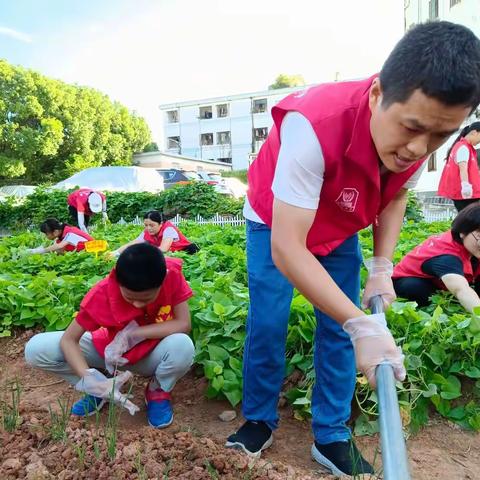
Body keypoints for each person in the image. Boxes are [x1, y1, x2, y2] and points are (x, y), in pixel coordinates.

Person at [225, 21, 480, 477]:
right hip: (274, 222)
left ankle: (332, 434)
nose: (420, 148)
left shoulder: (419, 146)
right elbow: (288, 247)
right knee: (269, 321)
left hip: (338, 226)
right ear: (378, 95)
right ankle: (258, 419)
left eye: (441, 135)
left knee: (342, 330)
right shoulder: (314, 127)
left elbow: (397, 196)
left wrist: (381, 265)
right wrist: (361, 323)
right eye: (413, 127)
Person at [24, 243, 195, 428]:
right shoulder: (102, 293)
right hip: (109, 351)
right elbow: (69, 340)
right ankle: (100, 387)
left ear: (163, 281)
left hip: (152, 353)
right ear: (118, 281)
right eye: (129, 298)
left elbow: (183, 323)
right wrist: (88, 378)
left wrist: (134, 334)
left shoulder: (171, 274)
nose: (137, 305)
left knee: (183, 346)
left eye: (146, 299)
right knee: (37, 349)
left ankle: (157, 389)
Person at [393, 203, 480, 311]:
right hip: (413, 280)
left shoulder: (469, 244)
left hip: (441, 279)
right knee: (416, 289)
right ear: (463, 232)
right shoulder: (447, 256)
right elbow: (460, 289)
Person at [112, 210, 199, 256]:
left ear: (160, 224)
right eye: (146, 225)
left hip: (186, 251)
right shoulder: (146, 231)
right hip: (170, 254)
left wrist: (141, 253)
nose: (148, 228)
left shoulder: (168, 229)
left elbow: (164, 249)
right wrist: (116, 252)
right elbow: (133, 243)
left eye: (152, 225)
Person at [438, 122, 480, 212]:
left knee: (467, 219)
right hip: (465, 194)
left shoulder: (463, 147)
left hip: (464, 194)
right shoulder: (463, 148)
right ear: (475, 132)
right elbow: (463, 169)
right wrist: (466, 186)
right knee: (470, 220)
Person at [27, 218, 93, 254]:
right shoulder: (62, 235)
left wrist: (40, 251)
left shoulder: (70, 232)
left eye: (47, 234)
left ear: (55, 232)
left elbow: (59, 246)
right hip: (84, 252)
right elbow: (59, 250)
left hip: (93, 250)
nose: (46, 236)